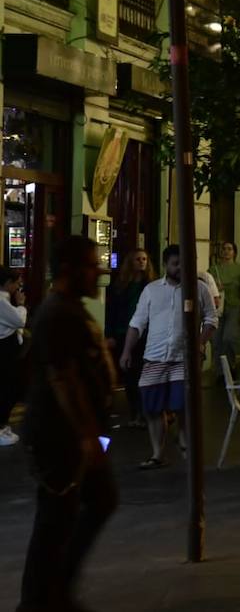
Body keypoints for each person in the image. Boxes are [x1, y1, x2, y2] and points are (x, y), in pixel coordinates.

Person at [18, 236, 118, 612]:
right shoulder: (57, 312)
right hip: (59, 437)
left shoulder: (71, 308)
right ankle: (39, 600)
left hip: (77, 435)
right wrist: (87, 435)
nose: (99, 271)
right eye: (92, 265)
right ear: (69, 270)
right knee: (56, 517)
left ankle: (53, 591)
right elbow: (64, 379)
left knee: (91, 503)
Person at [121, 244, 217, 469]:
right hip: (154, 356)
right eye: (175, 264)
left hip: (184, 358)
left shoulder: (199, 289)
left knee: (182, 403)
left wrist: (200, 343)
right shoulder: (151, 290)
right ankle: (157, 453)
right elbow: (137, 323)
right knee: (153, 408)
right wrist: (126, 351)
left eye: (184, 263)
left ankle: (183, 439)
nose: (180, 268)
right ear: (166, 265)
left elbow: (212, 319)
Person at [104, 249, 154, 428]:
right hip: (123, 332)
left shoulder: (150, 286)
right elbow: (112, 312)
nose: (142, 262)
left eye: (144, 259)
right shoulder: (120, 286)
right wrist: (109, 334)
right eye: (138, 259)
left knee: (142, 373)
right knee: (130, 375)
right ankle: (135, 412)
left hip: (144, 334)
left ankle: (143, 412)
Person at [209, 241, 240, 378]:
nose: (226, 251)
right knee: (217, 339)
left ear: (234, 252)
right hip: (217, 308)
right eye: (224, 249)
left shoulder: (239, 270)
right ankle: (220, 371)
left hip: (234, 307)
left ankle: (230, 365)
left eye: (229, 249)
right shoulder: (214, 269)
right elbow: (206, 288)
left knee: (229, 338)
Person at [0, 267, 27, 446]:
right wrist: (22, 305)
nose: (19, 287)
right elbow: (19, 321)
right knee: (7, 387)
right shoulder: (2, 301)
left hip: (7, 347)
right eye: (17, 283)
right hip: (5, 349)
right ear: (8, 284)